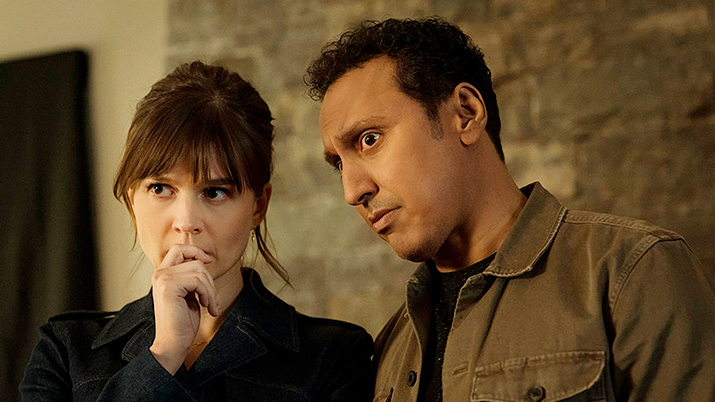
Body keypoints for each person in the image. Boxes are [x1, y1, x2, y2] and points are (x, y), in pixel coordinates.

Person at [306, 17, 715, 402]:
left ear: (466, 113)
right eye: (339, 164)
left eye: (369, 139)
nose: (352, 191)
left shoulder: (632, 270)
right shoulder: (390, 348)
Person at [20, 61, 373, 401]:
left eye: (215, 192)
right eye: (160, 188)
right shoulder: (65, 350)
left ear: (258, 206)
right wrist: (164, 354)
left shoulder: (332, 356)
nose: (186, 221)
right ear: (131, 201)